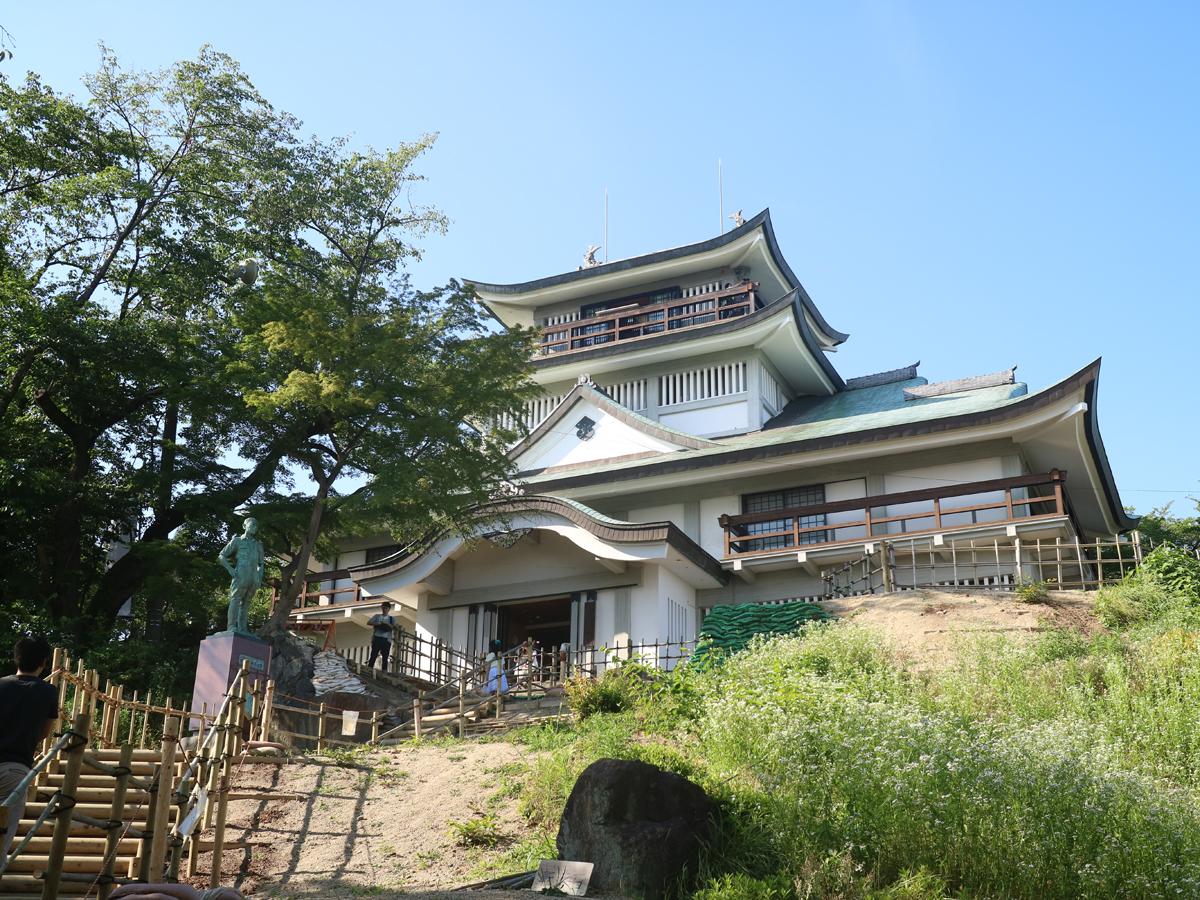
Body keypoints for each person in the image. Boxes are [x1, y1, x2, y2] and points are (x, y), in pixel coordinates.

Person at [0, 637, 59, 863]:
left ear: (16, 658)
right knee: (3, 834)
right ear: (44, 663)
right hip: (15, 768)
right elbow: (44, 732)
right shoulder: (48, 692)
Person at [366, 602, 395, 672]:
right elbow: (368, 622)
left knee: (385, 656)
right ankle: (369, 669)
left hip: (386, 639)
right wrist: (378, 624)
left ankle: (384, 671)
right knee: (374, 654)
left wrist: (387, 624)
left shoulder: (391, 618)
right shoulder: (377, 616)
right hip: (377, 637)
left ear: (389, 609)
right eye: (383, 608)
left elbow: (393, 627)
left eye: (386, 608)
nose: (384, 609)